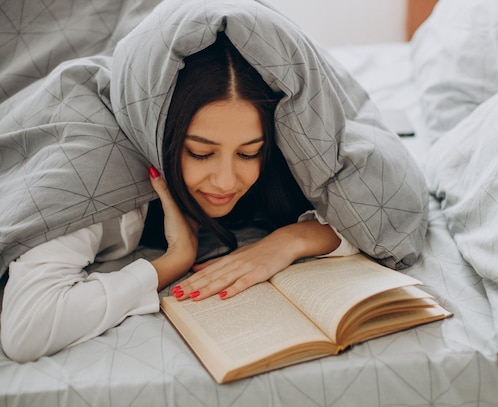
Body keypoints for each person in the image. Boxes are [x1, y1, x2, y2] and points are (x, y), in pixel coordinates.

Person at [0, 33, 358, 363]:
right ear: (162, 135)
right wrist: (170, 263)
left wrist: (292, 240)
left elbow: (376, 205)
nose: (225, 181)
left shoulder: (280, 150)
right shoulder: (94, 171)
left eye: (249, 154)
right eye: (200, 153)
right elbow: (27, 329)